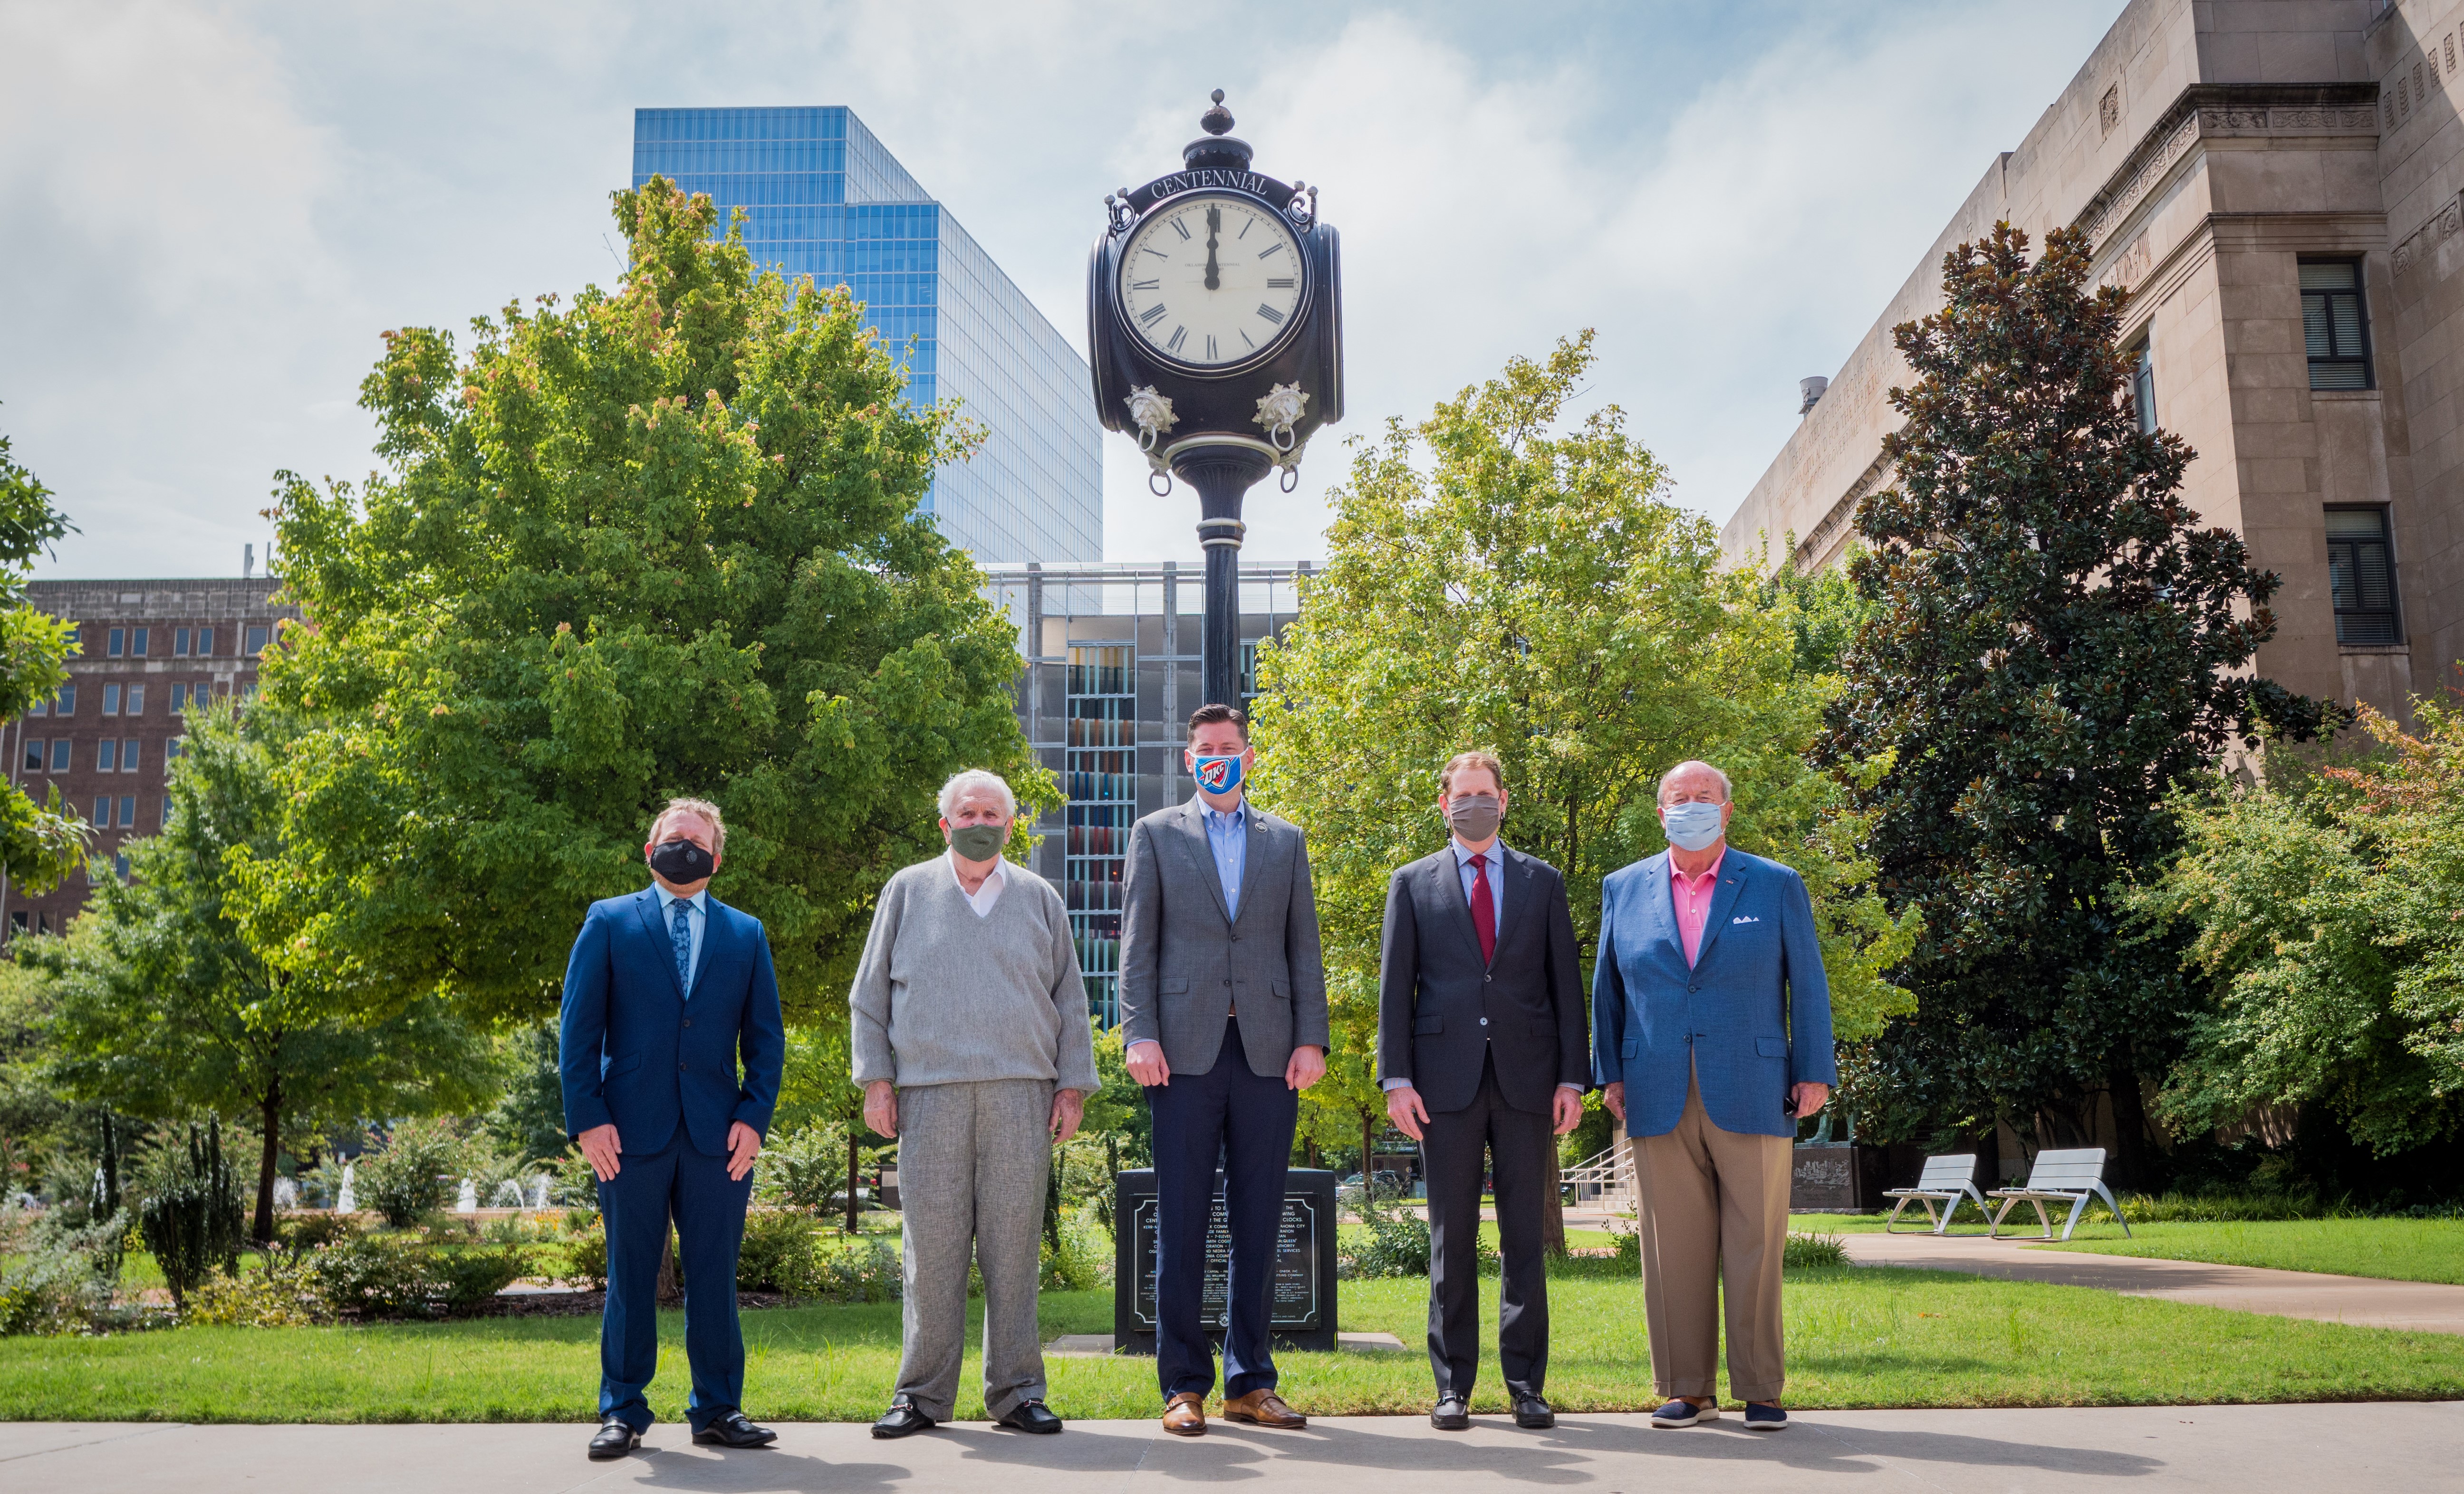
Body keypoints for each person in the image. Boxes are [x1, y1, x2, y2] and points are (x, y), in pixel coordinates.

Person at [849, 769, 1099, 1440]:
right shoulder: (907, 891)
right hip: (928, 1097)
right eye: (968, 811)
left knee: (1014, 1248)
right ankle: (921, 1397)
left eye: (993, 811)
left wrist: (1071, 1084)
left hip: (1023, 1094)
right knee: (930, 1252)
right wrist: (876, 1079)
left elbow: (1071, 1001)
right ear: (946, 823)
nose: (980, 820)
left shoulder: (1041, 898)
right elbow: (869, 997)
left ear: (1011, 825)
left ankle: (1017, 1392)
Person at [1591, 761, 1836, 1432]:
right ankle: (1685, 1388)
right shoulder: (1623, 888)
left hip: (1754, 1086)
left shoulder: (1776, 884)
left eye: (1704, 798)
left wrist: (1814, 1069)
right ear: (1660, 811)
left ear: (1727, 812)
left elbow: (1808, 984)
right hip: (1654, 1086)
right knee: (1673, 1246)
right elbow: (1606, 992)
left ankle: (1762, 1387)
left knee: (1756, 1240)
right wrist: (1609, 1071)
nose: (1691, 806)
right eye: (1679, 798)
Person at [1119, 703, 1329, 1437]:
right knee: (1180, 1220)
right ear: (1189, 759)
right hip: (1181, 1054)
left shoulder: (1287, 841)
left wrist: (1314, 1038)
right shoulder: (1154, 834)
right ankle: (1184, 1385)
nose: (1218, 756)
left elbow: (1303, 948)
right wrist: (1138, 1033)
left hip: (1271, 1052)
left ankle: (1250, 1380)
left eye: (1230, 747)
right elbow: (1138, 947)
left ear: (1247, 756)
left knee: (1260, 1222)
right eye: (1205, 747)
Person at [559, 798, 786, 1461]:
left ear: (717, 858)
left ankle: (717, 1408)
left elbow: (766, 1040)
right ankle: (622, 1410)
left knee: (715, 1274)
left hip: (720, 1137)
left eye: (696, 841)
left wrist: (754, 1118)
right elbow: (578, 1033)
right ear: (650, 850)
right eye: (672, 839)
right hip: (626, 1134)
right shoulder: (608, 922)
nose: (682, 849)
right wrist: (589, 1119)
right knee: (630, 1272)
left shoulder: (746, 933)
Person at [1377, 751, 1588, 1431]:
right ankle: (1453, 1387)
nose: (1474, 803)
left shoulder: (1543, 882)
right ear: (1445, 805)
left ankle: (1527, 1383)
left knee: (1525, 1238)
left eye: (1485, 793)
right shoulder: (1412, 883)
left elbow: (1566, 989)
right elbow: (1396, 991)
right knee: (1452, 1238)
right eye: (1462, 794)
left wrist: (1572, 1078)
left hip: (1529, 1081)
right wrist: (1397, 1079)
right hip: (1444, 1085)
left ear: (1504, 800)